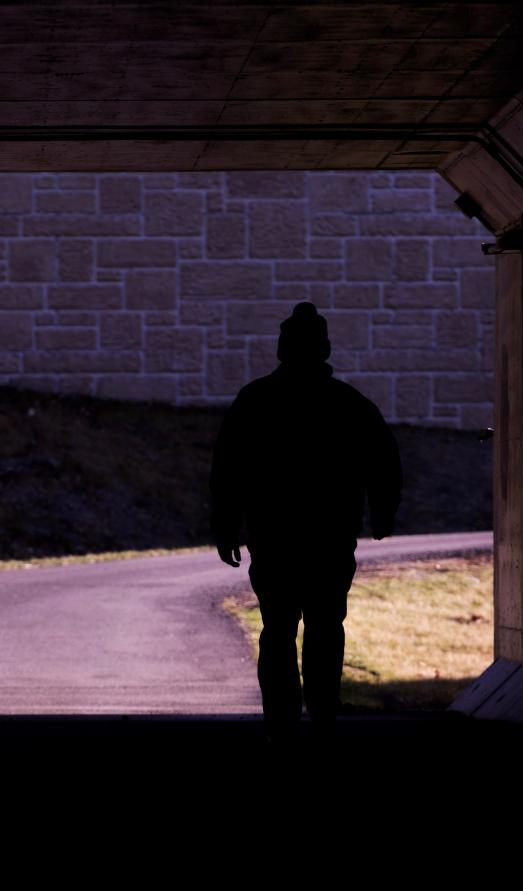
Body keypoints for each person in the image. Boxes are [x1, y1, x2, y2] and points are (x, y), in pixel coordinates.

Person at [209, 301, 401, 742]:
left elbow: (228, 469)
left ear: (282, 349)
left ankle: (280, 717)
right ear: (325, 349)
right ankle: (323, 714)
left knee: (278, 627)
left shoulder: (254, 401)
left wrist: (225, 525)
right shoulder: (349, 404)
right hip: (330, 537)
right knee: (325, 625)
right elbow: (383, 461)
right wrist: (382, 512)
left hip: (273, 536)